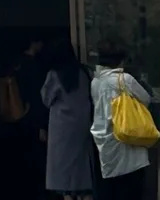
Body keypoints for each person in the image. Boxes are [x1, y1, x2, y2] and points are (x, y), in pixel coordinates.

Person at [92, 40, 153, 200]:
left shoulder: (95, 82)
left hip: (105, 146)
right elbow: (146, 99)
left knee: (111, 191)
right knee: (130, 190)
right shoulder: (124, 80)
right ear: (121, 60)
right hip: (127, 143)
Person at [41, 39, 94, 200]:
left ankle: (68, 194)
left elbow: (46, 99)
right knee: (81, 167)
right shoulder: (85, 73)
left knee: (63, 170)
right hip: (83, 124)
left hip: (62, 128)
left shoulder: (54, 75)